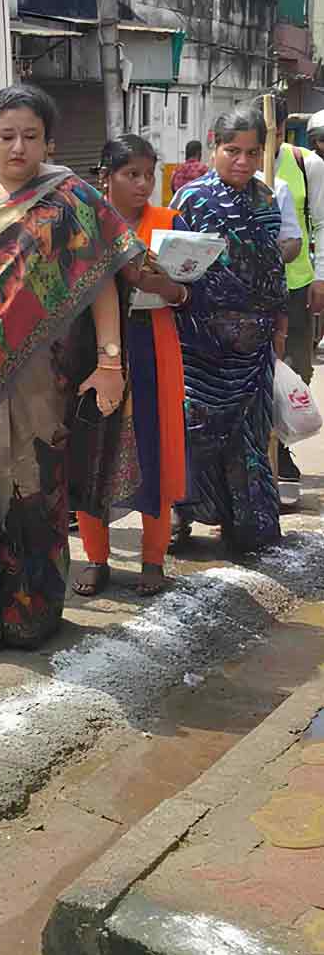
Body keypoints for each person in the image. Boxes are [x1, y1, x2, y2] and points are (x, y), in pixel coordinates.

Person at [0, 85, 143, 652]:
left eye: (31, 136)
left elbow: (101, 288)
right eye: (5, 136)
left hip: (45, 369)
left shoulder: (72, 198)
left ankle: (31, 613)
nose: (18, 147)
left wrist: (110, 363)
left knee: (36, 483)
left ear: (49, 140)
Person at [74, 136, 187, 599]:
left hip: (153, 348)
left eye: (148, 174)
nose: (143, 185)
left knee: (154, 450)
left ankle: (154, 559)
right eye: (131, 174)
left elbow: (187, 296)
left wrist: (167, 287)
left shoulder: (169, 225)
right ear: (106, 176)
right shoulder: (84, 224)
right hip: (93, 350)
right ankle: (96, 558)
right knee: (92, 451)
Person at [171, 108, 289, 554]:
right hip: (201, 343)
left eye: (252, 152)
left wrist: (277, 322)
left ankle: (247, 527)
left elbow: (273, 263)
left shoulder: (264, 198)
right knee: (195, 434)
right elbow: (174, 265)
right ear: (214, 145)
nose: (242, 161)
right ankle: (180, 522)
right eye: (232, 150)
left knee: (249, 435)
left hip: (255, 344)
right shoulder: (191, 199)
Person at [252, 94, 324, 490]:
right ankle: (258, 449)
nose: (267, 141)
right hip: (248, 291)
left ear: (282, 130)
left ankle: (282, 445)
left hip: (295, 284)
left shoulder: (304, 163)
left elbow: (322, 223)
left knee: (295, 367)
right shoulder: (241, 163)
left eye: (273, 133)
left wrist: (320, 277)